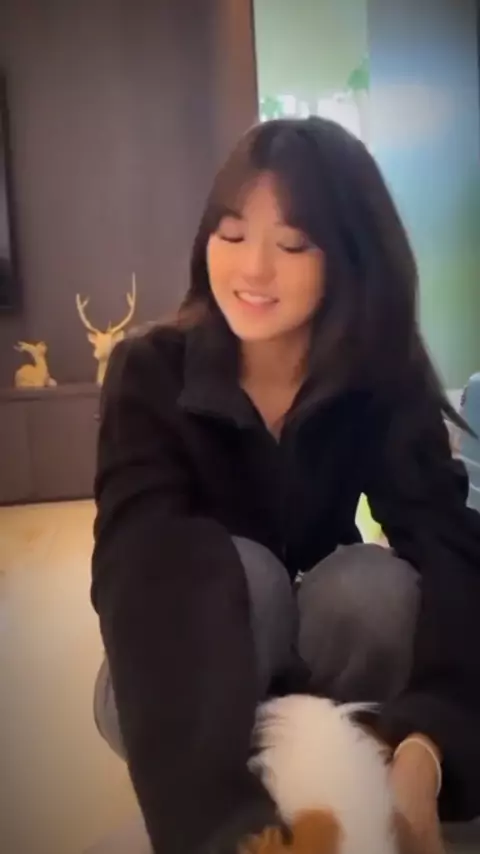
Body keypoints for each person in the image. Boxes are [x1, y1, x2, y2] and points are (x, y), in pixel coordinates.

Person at [91, 117, 480, 854]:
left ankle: (344, 773)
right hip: (170, 664)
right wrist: (216, 824)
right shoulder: (150, 370)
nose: (253, 269)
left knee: (373, 587)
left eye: (293, 245)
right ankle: (239, 798)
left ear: (351, 256)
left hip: (320, 656)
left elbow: (448, 549)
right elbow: (135, 561)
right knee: (250, 577)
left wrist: (428, 746)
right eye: (232, 234)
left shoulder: (378, 377)